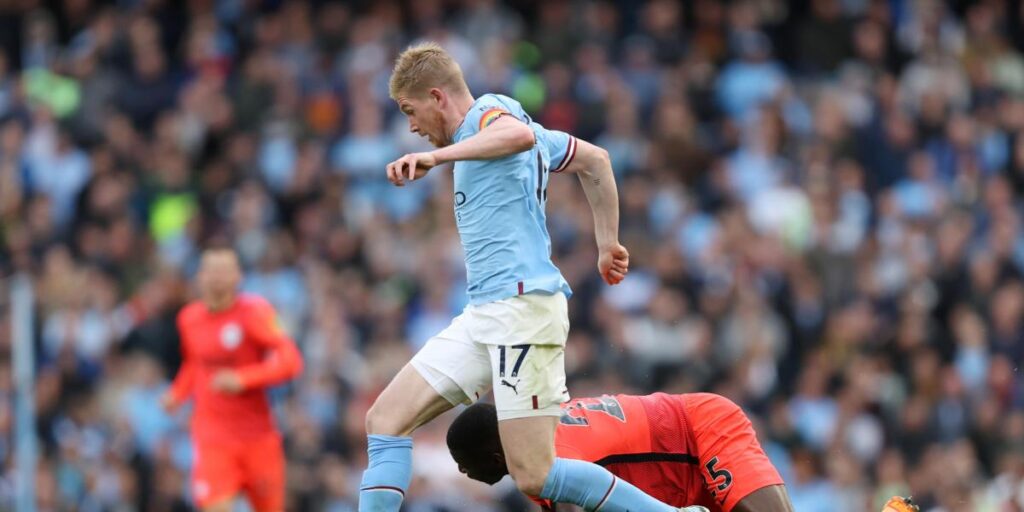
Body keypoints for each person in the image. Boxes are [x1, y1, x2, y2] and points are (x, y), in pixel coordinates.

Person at [359, 42, 686, 512]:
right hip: (484, 313)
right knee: (385, 418)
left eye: (411, 111)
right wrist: (607, 242)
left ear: (437, 96)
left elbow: (518, 137)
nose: (411, 126)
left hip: (523, 310)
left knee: (535, 472)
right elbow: (595, 161)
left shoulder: (492, 112)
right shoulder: (499, 139)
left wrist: (437, 159)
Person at [448, 393, 794, 512]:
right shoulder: (536, 444)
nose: (463, 473)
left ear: (495, 458)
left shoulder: (548, 460)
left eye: (464, 463)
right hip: (676, 482)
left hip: (700, 428)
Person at [162, 246, 304, 512]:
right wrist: (178, 393)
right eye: (211, 270)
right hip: (212, 436)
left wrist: (243, 379)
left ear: (238, 277)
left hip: (257, 437)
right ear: (199, 277)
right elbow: (194, 364)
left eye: (224, 270)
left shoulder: (255, 313)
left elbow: (291, 361)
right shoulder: (189, 319)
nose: (217, 277)